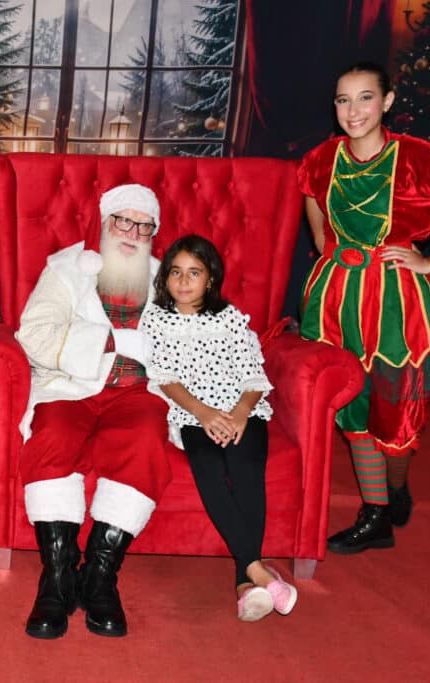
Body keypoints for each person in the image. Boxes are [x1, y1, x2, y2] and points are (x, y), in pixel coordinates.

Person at [298, 62, 430, 553]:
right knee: (350, 405)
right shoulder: (321, 158)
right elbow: (314, 203)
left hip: (393, 303)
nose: (353, 111)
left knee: (395, 411)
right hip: (336, 299)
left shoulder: (417, 158)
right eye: (343, 100)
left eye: (365, 97)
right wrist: (329, 250)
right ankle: (376, 515)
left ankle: (396, 488)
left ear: (387, 101)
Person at [16, 183, 171, 639]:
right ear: (104, 224)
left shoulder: (168, 278)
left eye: (144, 226)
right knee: (53, 434)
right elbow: (34, 333)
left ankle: (100, 575)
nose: (133, 233)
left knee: (145, 438)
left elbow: (190, 340)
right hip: (70, 384)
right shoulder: (65, 269)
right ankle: (57, 576)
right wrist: (111, 341)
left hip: (137, 391)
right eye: (124, 221)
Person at [140, 235, 297, 622]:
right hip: (193, 414)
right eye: (176, 272)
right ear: (165, 277)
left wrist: (241, 412)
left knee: (245, 469)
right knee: (209, 469)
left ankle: (245, 582)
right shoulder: (156, 320)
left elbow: (253, 375)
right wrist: (204, 413)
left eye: (194, 273)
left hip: (242, 410)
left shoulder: (229, 319)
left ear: (210, 279)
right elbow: (164, 377)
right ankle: (257, 571)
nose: (183, 281)